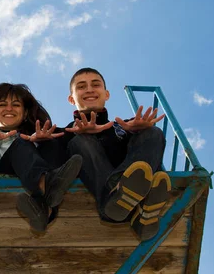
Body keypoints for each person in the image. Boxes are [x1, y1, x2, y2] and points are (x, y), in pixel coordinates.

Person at [65, 67, 169, 241]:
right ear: (71, 98)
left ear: (106, 94)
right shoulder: (66, 132)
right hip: (99, 181)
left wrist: (138, 132)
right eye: (82, 86)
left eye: (95, 85)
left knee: (153, 133)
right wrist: (81, 134)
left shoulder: (126, 126)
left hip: (127, 176)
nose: (90, 89)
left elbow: (145, 149)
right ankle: (117, 196)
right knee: (80, 142)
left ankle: (140, 212)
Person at [0, 83, 82, 233]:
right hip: (0, 170)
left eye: (16, 105)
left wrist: (40, 141)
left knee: (50, 143)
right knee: (20, 143)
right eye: (3, 104)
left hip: (30, 174)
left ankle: (42, 210)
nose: (9, 108)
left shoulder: (30, 138)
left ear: (24, 114)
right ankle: (46, 189)